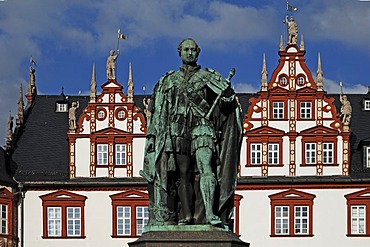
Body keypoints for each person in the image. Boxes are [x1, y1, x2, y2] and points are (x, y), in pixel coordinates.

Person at [141, 38, 243, 228]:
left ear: (198, 52)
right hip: (176, 131)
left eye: (193, 50)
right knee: (183, 174)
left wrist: (227, 96)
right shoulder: (169, 80)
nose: (189, 53)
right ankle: (186, 216)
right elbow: (158, 113)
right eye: (185, 49)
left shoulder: (208, 77)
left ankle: (211, 214)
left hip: (202, 127)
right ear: (179, 52)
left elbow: (225, 107)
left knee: (207, 169)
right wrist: (153, 137)